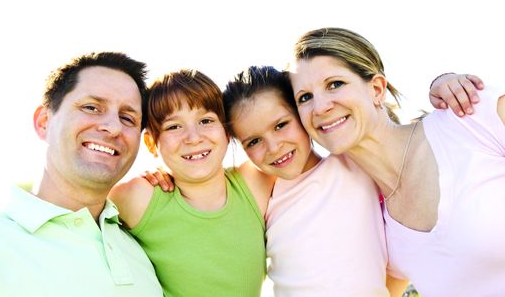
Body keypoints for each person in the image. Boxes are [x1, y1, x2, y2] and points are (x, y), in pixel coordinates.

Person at [222, 65, 477, 297]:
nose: (274, 146)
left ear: (302, 112)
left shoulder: (354, 162)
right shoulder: (260, 189)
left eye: (281, 125)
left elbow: (400, 137)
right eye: (253, 141)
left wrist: (443, 81)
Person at [289, 27, 503, 297]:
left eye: (335, 84)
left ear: (377, 89)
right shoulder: (376, 227)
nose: (320, 107)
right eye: (304, 98)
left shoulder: (471, 115)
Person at [0, 52, 163, 297]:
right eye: (91, 107)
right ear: (44, 122)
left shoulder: (144, 247)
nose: (113, 127)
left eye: (127, 118)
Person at [108, 69, 274, 297]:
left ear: (227, 131)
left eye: (206, 120)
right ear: (150, 142)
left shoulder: (255, 182)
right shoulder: (140, 197)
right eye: (173, 126)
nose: (194, 137)